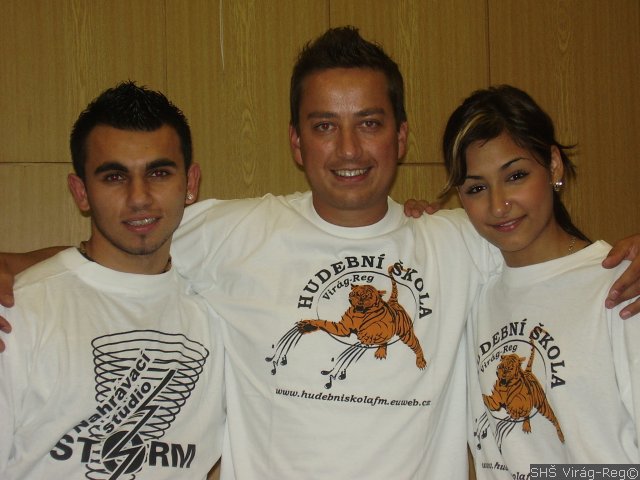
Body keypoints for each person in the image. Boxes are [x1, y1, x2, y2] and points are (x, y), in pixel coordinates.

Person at [1, 28, 639, 479]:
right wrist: (17, 266)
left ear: (400, 137)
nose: (349, 150)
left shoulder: (463, 236)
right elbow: (128, 240)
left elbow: (556, 262)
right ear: (297, 143)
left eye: (369, 123)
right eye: (325, 126)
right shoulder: (235, 231)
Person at [0, 82, 225, 479]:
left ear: (190, 184)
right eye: (114, 177)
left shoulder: (222, 316)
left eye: (158, 173)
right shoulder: (17, 312)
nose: (139, 197)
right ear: (81, 192)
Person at [439, 85, 640, 477]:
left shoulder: (621, 285)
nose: (498, 205)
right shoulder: (472, 294)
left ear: (554, 165)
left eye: (516, 176)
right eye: (477, 188)